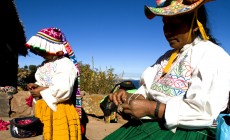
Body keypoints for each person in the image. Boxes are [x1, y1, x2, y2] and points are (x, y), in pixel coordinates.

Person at [104, 0, 230, 139]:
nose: (167, 31)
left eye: (175, 24)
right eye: (165, 24)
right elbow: (148, 89)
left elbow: (204, 112)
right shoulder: (166, 58)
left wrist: (151, 108)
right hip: (150, 124)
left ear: (195, 24)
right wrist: (130, 97)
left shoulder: (212, 55)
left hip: (183, 133)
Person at [26, 27, 82, 140]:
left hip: (59, 110)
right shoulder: (44, 64)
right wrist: (36, 85)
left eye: (41, 50)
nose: (38, 53)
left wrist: (41, 92)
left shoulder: (65, 64)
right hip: (44, 108)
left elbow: (63, 89)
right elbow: (46, 83)